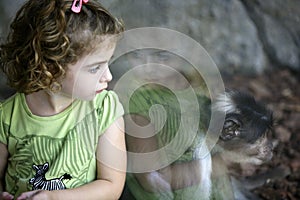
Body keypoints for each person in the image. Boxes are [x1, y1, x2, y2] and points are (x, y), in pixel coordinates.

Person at [0, 0, 126, 199]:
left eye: (107, 63)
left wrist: (53, 197)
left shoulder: (104, 109)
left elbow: (112, 187)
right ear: (50, 69)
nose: (108, 76)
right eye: (95, 68)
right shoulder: (6, 116)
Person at [111, 48, 212, 200]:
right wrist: (218, 166)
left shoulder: (199, 92)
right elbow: (150, 178)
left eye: (163, 57)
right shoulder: (138, 102)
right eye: (137, 55)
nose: (147, 67)